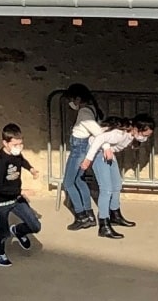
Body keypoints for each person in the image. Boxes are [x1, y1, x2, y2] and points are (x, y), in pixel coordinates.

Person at [89, 114, 156, 239]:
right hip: (98, 152)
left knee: (116, 185)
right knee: (106, 189)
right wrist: (89, 159)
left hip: (108, 153)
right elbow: (98, 139)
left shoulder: (130, 134)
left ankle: (115, 215)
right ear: (136, 129)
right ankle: (104, 225)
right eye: (144, 135)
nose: (144, 138)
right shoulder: (119, 133)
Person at [0, 123, 42, 267]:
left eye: (20, 144)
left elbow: (21, 160)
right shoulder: (1, 161)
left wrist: (30, 169)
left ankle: (18, 230)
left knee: (35, 225)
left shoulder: (15, 154)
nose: (18, 147)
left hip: (16, 198)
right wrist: (21, 192)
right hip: (1, 202)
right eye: (15, 144)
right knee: (3, 233)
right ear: (5, 143)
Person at [60, 84, 105, 231]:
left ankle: (81, 215)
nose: (71, 104)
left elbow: (98, 132)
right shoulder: (91, 109)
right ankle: (89, 214)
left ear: (78, 99)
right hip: (82, 148)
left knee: (68, 183)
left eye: (72, 100)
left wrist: (106, 148)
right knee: (79, 180)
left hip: (78, 150)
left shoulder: (85, 113)